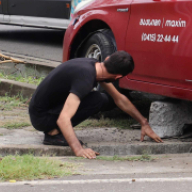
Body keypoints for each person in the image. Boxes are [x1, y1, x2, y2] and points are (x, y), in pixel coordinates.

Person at [29, 51, 163, 159]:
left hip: (42, 109)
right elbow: (64, 118)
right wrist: (79, 149)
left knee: (100, 98)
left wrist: (144, 123)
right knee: (97, 99)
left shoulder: (95, 67)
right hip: (42, 118)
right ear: (117, 77)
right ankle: (53, 133)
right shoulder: (85, 77)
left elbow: (119, 99)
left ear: (108, 58)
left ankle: (55, 130)